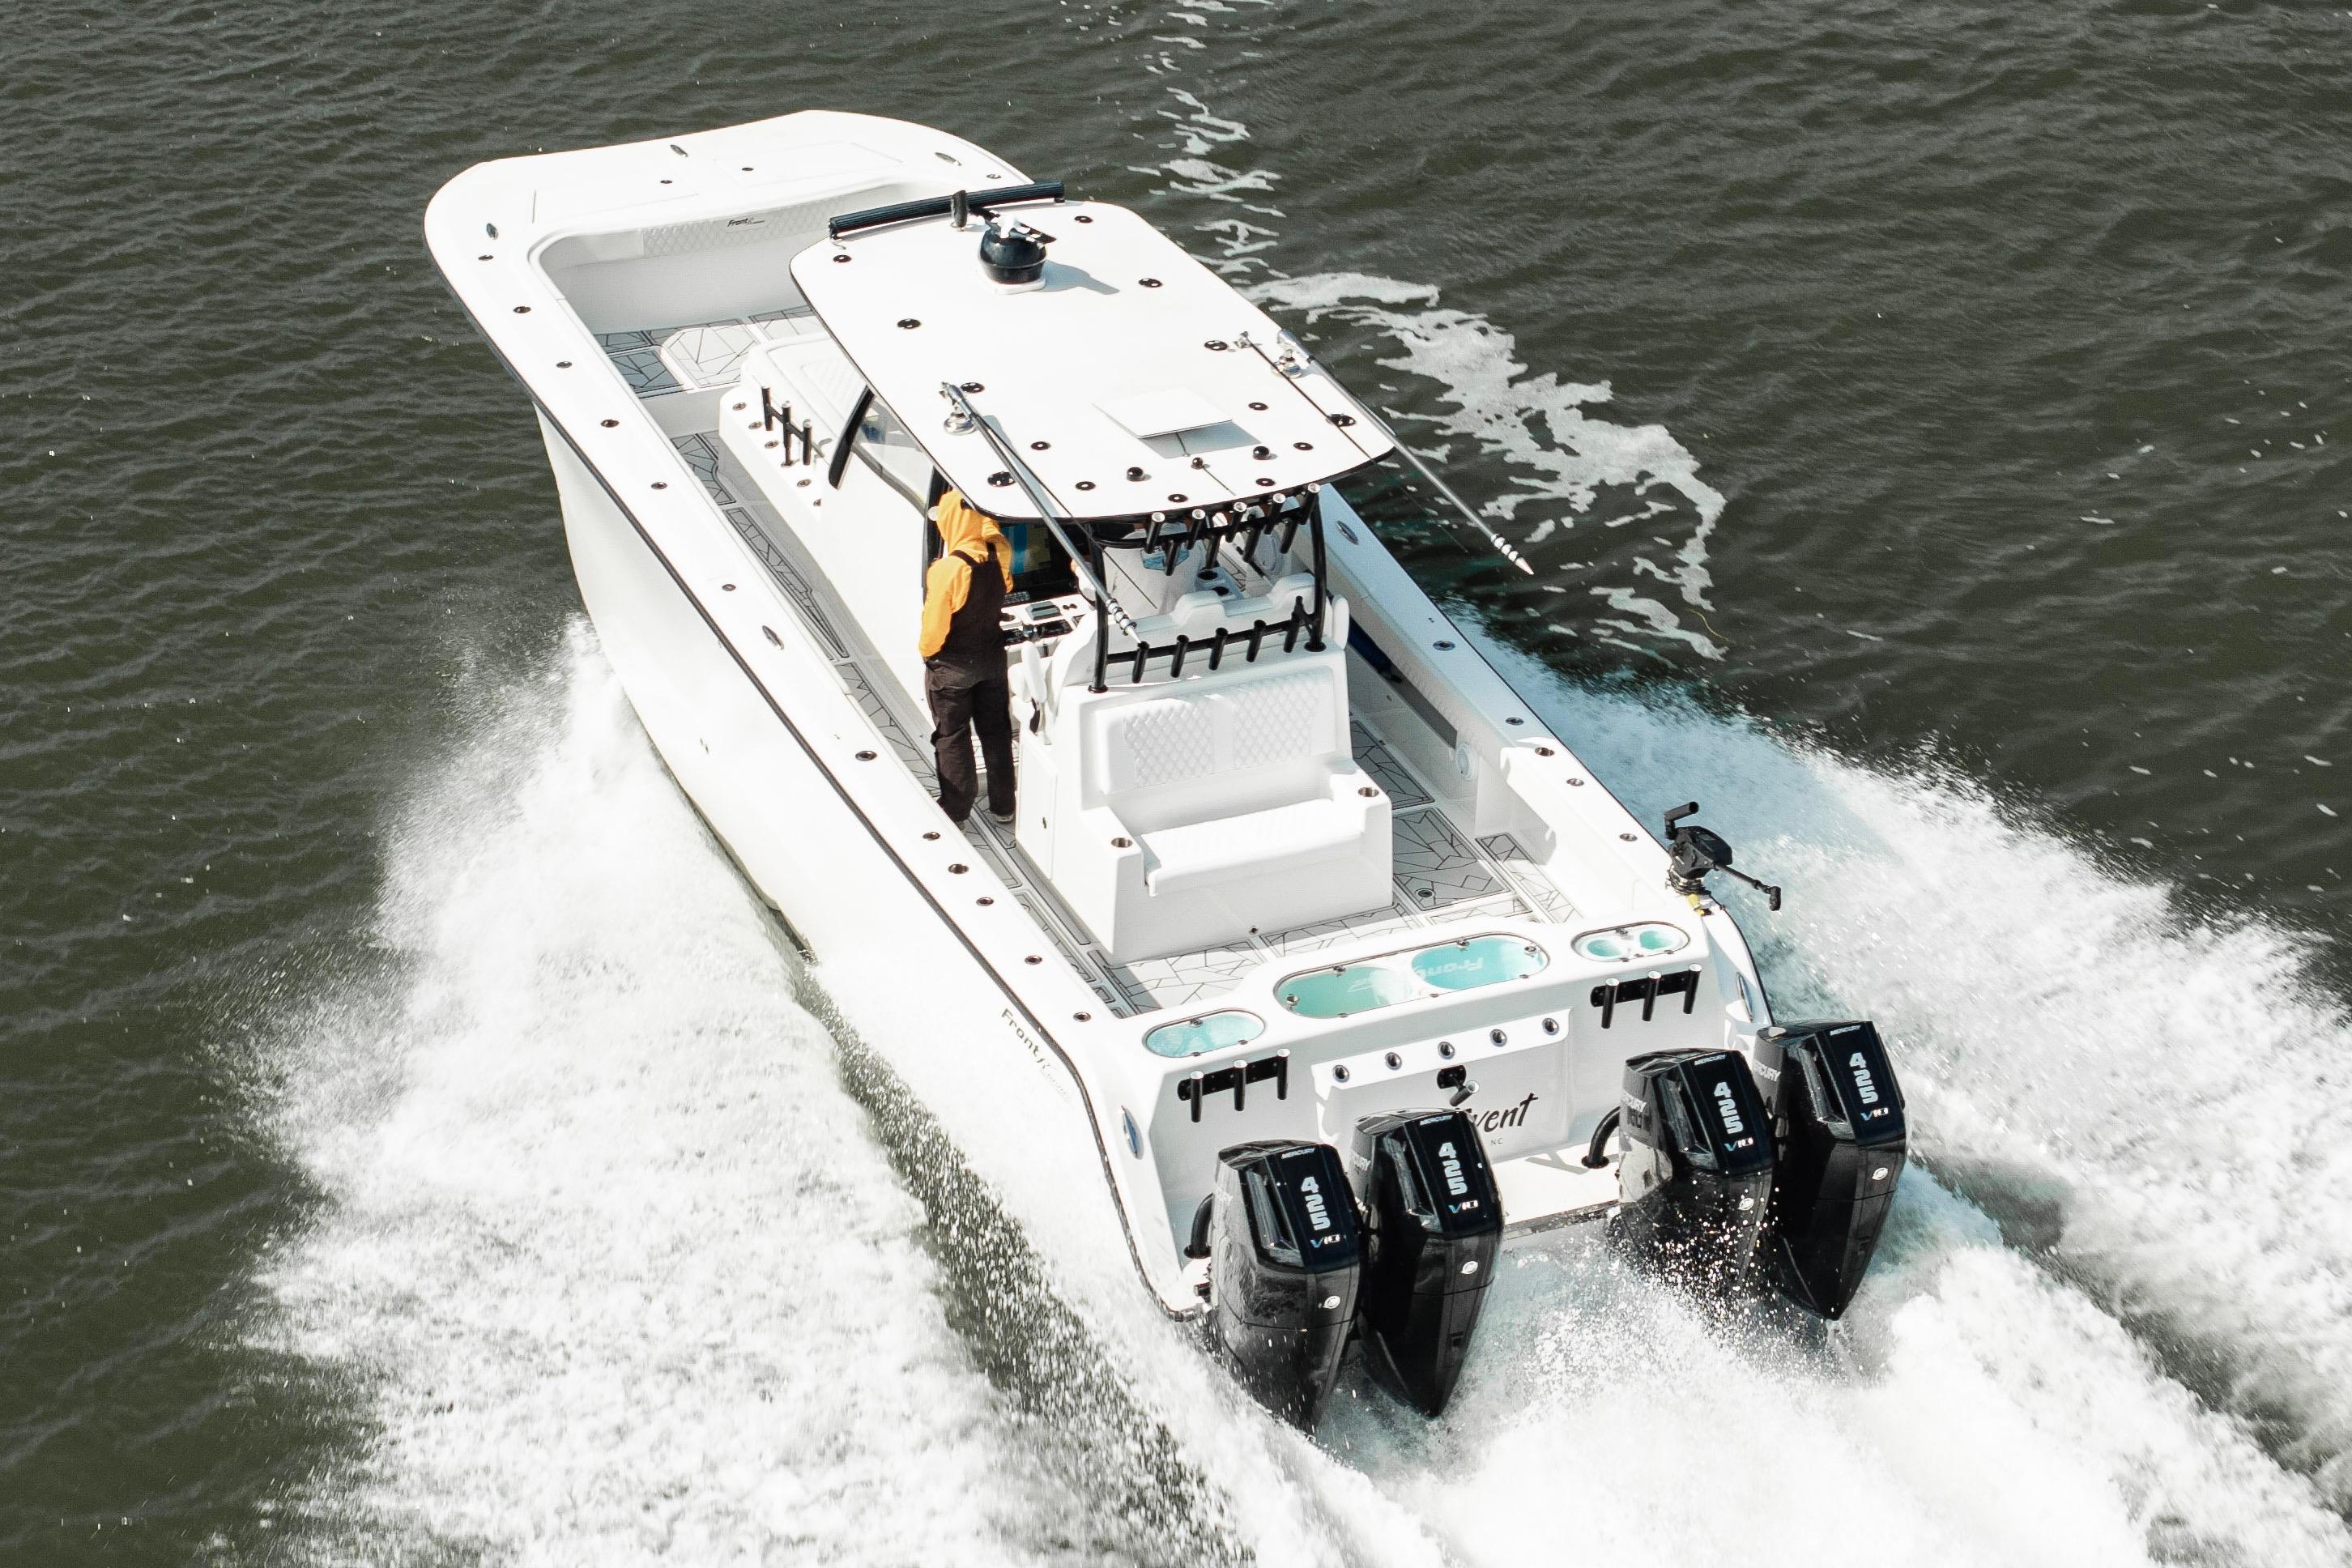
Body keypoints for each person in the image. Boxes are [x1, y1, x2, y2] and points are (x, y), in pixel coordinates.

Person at [920, 488, 1016, 825]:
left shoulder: (947, 569)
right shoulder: (999, 553)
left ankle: (956, 812)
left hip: (953, 669)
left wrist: (928, 654)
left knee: (953, 737)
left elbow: (934, 629)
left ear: (949, 521)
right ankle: (1004, 807)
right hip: (992, 662)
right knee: (996, 732)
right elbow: (1006, 584)